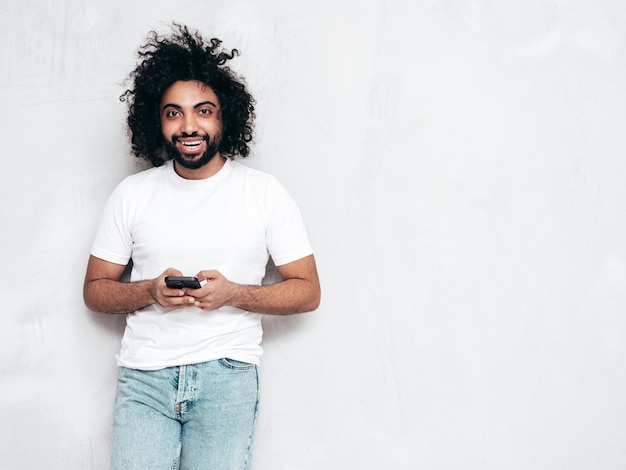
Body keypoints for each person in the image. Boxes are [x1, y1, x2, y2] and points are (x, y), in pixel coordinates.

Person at [83, 24, 320, 470]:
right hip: (145, 378)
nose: (189, 126)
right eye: (174, 113)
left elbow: (307, 290)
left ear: (223, 117)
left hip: (226, 378)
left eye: (203, 111)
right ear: (158, 120)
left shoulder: (263, 193)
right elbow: (95, 290)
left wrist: (234, 294)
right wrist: (149, 290)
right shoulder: (132, 194)